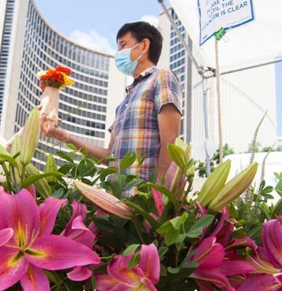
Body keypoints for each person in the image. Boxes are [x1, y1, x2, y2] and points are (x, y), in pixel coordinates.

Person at [42, 21, 183, 187]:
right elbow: (110, 156)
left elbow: (170, 142)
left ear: (144, 45)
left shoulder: (161, 77)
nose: (119, 53)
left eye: (123, 45)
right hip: (117, 198)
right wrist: (66, 137)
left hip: (145, 201)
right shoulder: (125, 101)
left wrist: (159, 195)